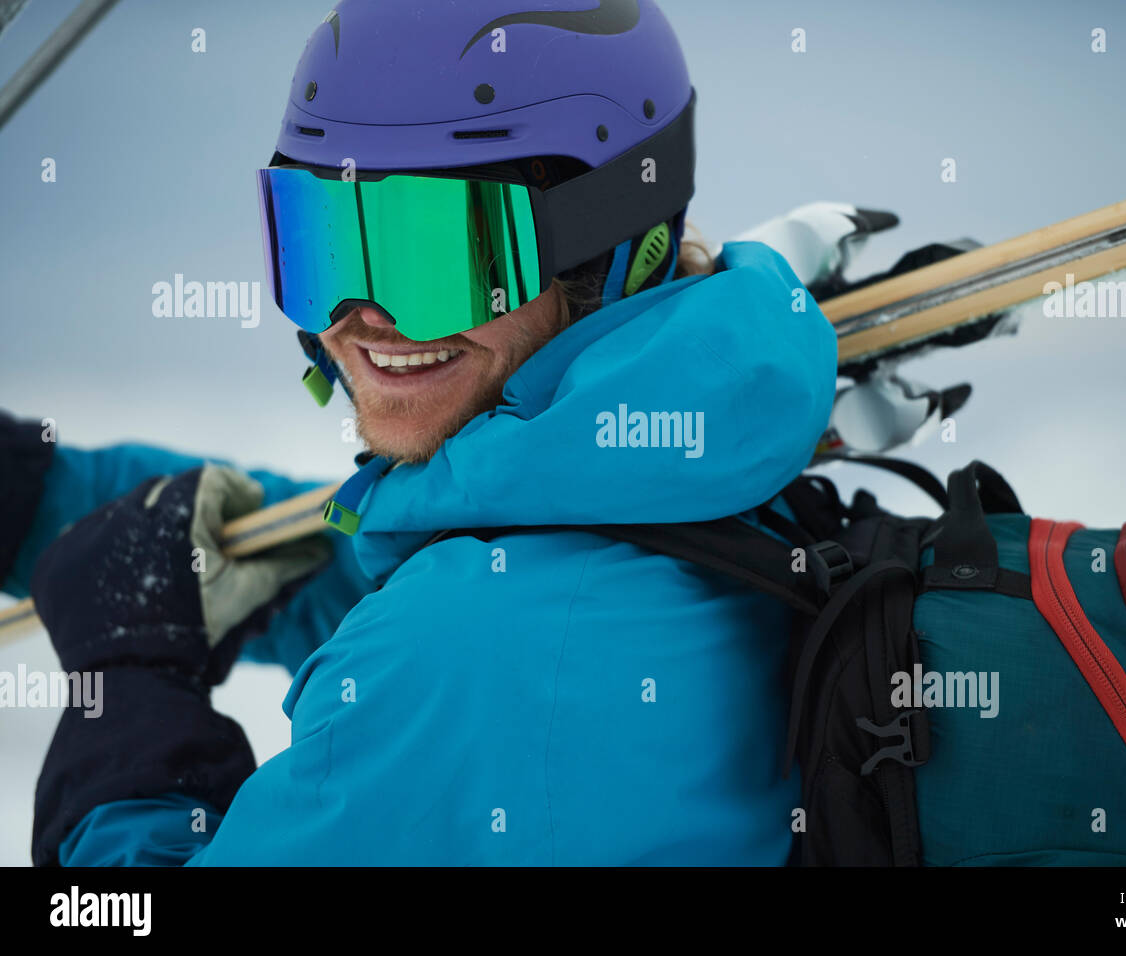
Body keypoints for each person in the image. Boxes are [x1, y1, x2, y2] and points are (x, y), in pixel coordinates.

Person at [4, 0, 836, 866]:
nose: (364, 317)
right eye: (326, 237)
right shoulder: (710, 461)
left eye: (437, 253)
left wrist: (131, 686)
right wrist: (33, 496)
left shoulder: (454, 655)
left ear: (612, 251)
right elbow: (463, 558)